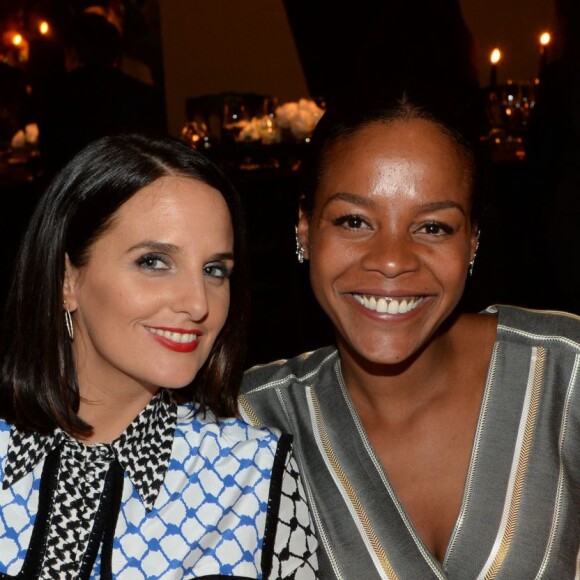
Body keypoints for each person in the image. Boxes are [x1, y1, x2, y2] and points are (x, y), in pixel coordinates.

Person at [239, 88, 580, 578]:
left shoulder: (564, 377)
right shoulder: (250, 423)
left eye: (434, 228)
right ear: (305, 229)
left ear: (473, 242)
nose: (393, 259)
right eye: (354, 221)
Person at [0, 133, 318, 578]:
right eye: (154, 261)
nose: (198, 303)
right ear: (66, 279)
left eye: (214, 270)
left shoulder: (254, 474)